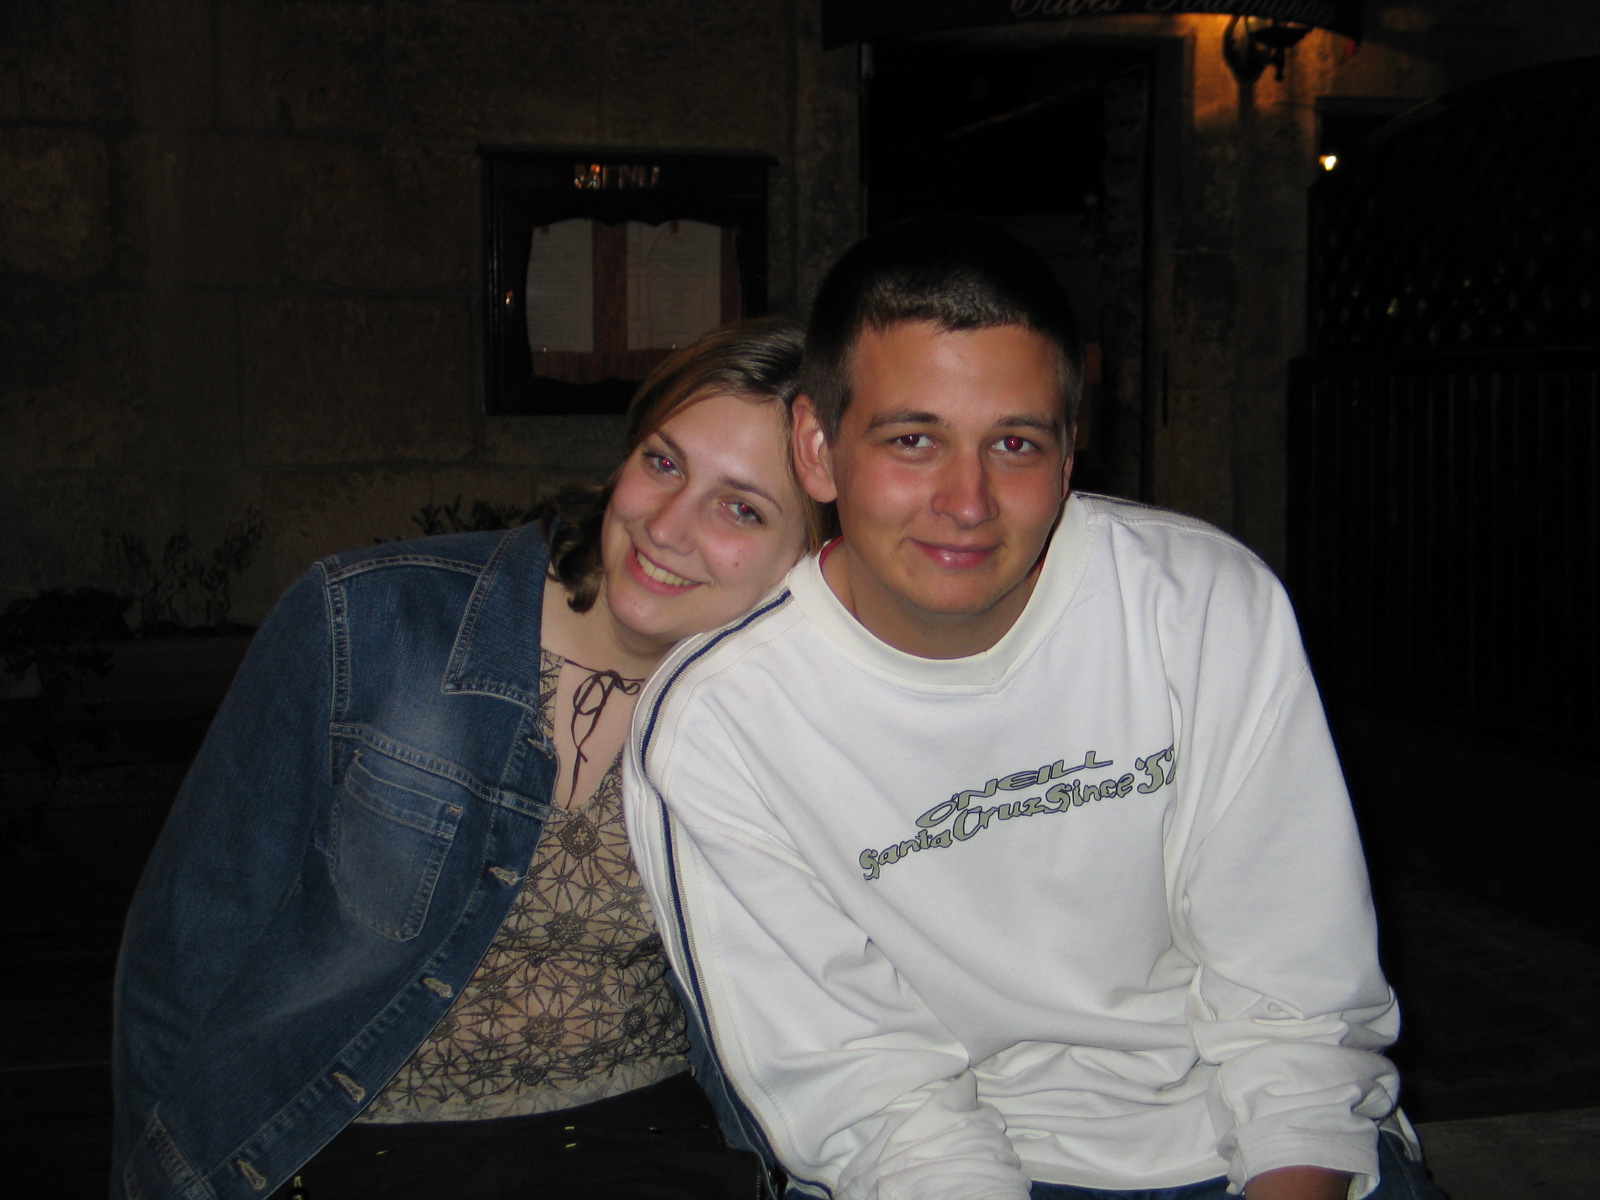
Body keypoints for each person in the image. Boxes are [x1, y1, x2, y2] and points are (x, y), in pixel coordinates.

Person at [625, 220, 1443, 1200]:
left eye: (1014, 443)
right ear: (818, 448)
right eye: (913, 440)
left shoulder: (1198, 605)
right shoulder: (724, 723)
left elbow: (1297, 1012)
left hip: (1252, 1142)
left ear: (1068, 455)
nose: (967, 502)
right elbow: (864, 1099)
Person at [112, 316, 826, 1200]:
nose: (669, 526)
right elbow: (187, 951)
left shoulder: (787, 717)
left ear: (810, 557)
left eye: (742, 507)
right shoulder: (370, 622)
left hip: (643, 1135)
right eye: (664, 462)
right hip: (341, 1138)